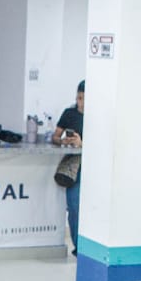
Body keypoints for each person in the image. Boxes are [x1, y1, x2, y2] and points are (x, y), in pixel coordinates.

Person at [51, 80, 85, 254]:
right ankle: (78, 247)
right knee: (74, 207)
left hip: (92, 167)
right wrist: (63, 140)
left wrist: (82, 143)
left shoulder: (98, 117)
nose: (81, 102)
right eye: (78, 98)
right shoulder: (69, 114)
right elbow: (55, 136)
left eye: (84, 98)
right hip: (74, 168)